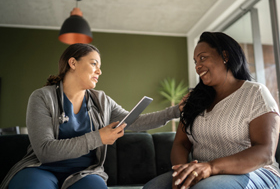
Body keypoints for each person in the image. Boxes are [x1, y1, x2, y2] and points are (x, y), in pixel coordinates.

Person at [1, 43, 182, 189]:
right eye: (94, 63)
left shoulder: (101, 100)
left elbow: (135, 122)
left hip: (84, 172)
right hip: (41, 168)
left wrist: (176, 111)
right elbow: (45, 151)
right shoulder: (42, 97)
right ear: (73, 63)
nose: (99, 71)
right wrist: (98, 137)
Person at [143, 32, 280, 189]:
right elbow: (181, 144)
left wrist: (211, 167)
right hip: (205, 173)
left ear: (225, 56)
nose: (197, 66)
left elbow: (265, 152)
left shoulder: (255, 93)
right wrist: (184, 173)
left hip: (256, 173)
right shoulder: (195, 99)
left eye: (202, 58)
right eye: (195, 61)